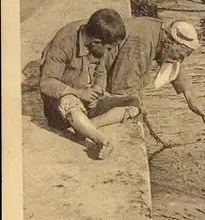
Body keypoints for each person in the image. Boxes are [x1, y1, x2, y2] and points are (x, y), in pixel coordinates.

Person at [39, 9, 141, 160]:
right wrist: (78, 93)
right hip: (61, 106)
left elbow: (101, 72)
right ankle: (101, 141)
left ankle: (85, 126)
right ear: (96, 42)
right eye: (109, 48)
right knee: (70, 102)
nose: (110, 52)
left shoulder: (96, 42)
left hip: (86, 103)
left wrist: (97, 89)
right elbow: (47, 82)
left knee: (134, 103)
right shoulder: (63, 44)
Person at [106, 17, 205, 118]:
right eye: (180, 56)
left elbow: (174, 63)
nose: (180, 61)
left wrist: (190, 97)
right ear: (170, 43)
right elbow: (121, 87)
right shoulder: (143, 43)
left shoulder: (162, 33)